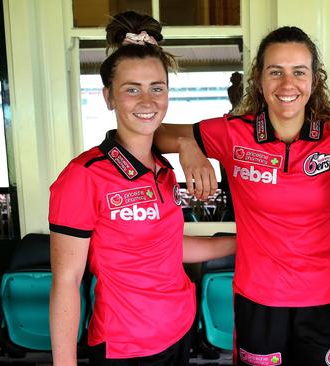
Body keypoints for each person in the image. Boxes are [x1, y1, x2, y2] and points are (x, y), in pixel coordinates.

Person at [154, 26, 330, 365]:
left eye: (299, 72)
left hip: (324, 299)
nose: (287, 84)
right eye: (275, 72)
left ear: (314, 80)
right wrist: (187, 145)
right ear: (259, 79)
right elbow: (157, 133)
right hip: (258, 299)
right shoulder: (234, 133)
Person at [48, 11, 235, 366]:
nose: (147, 102)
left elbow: (167, 249)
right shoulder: (83, 176)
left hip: (180, 330)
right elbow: (67, 281)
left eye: (157, 88)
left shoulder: (161, 168)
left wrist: (244, 243)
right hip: (125, 346)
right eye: (132, 89)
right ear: (108, 97)